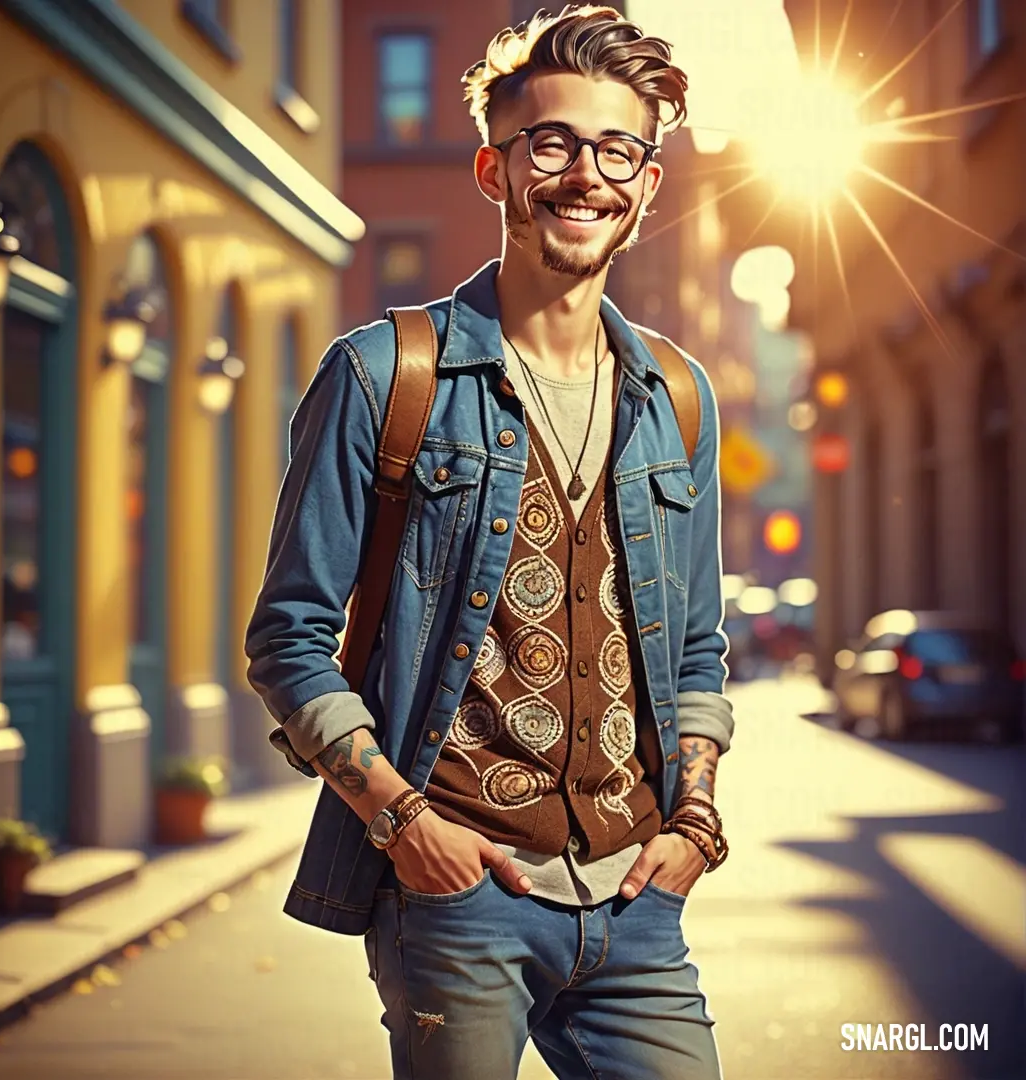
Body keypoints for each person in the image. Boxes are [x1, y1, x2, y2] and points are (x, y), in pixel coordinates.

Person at [245, 6, 734, 1078]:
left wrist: (695, 824)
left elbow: (697, 649)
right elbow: (287, 638)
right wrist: (405, 824)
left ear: (648, 185)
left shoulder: (679, 401)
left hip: (637, 905)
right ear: (492, 168)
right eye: (551, 143)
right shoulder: (383, 376)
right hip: (457, 897)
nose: (585, 175)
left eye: (618, 150)